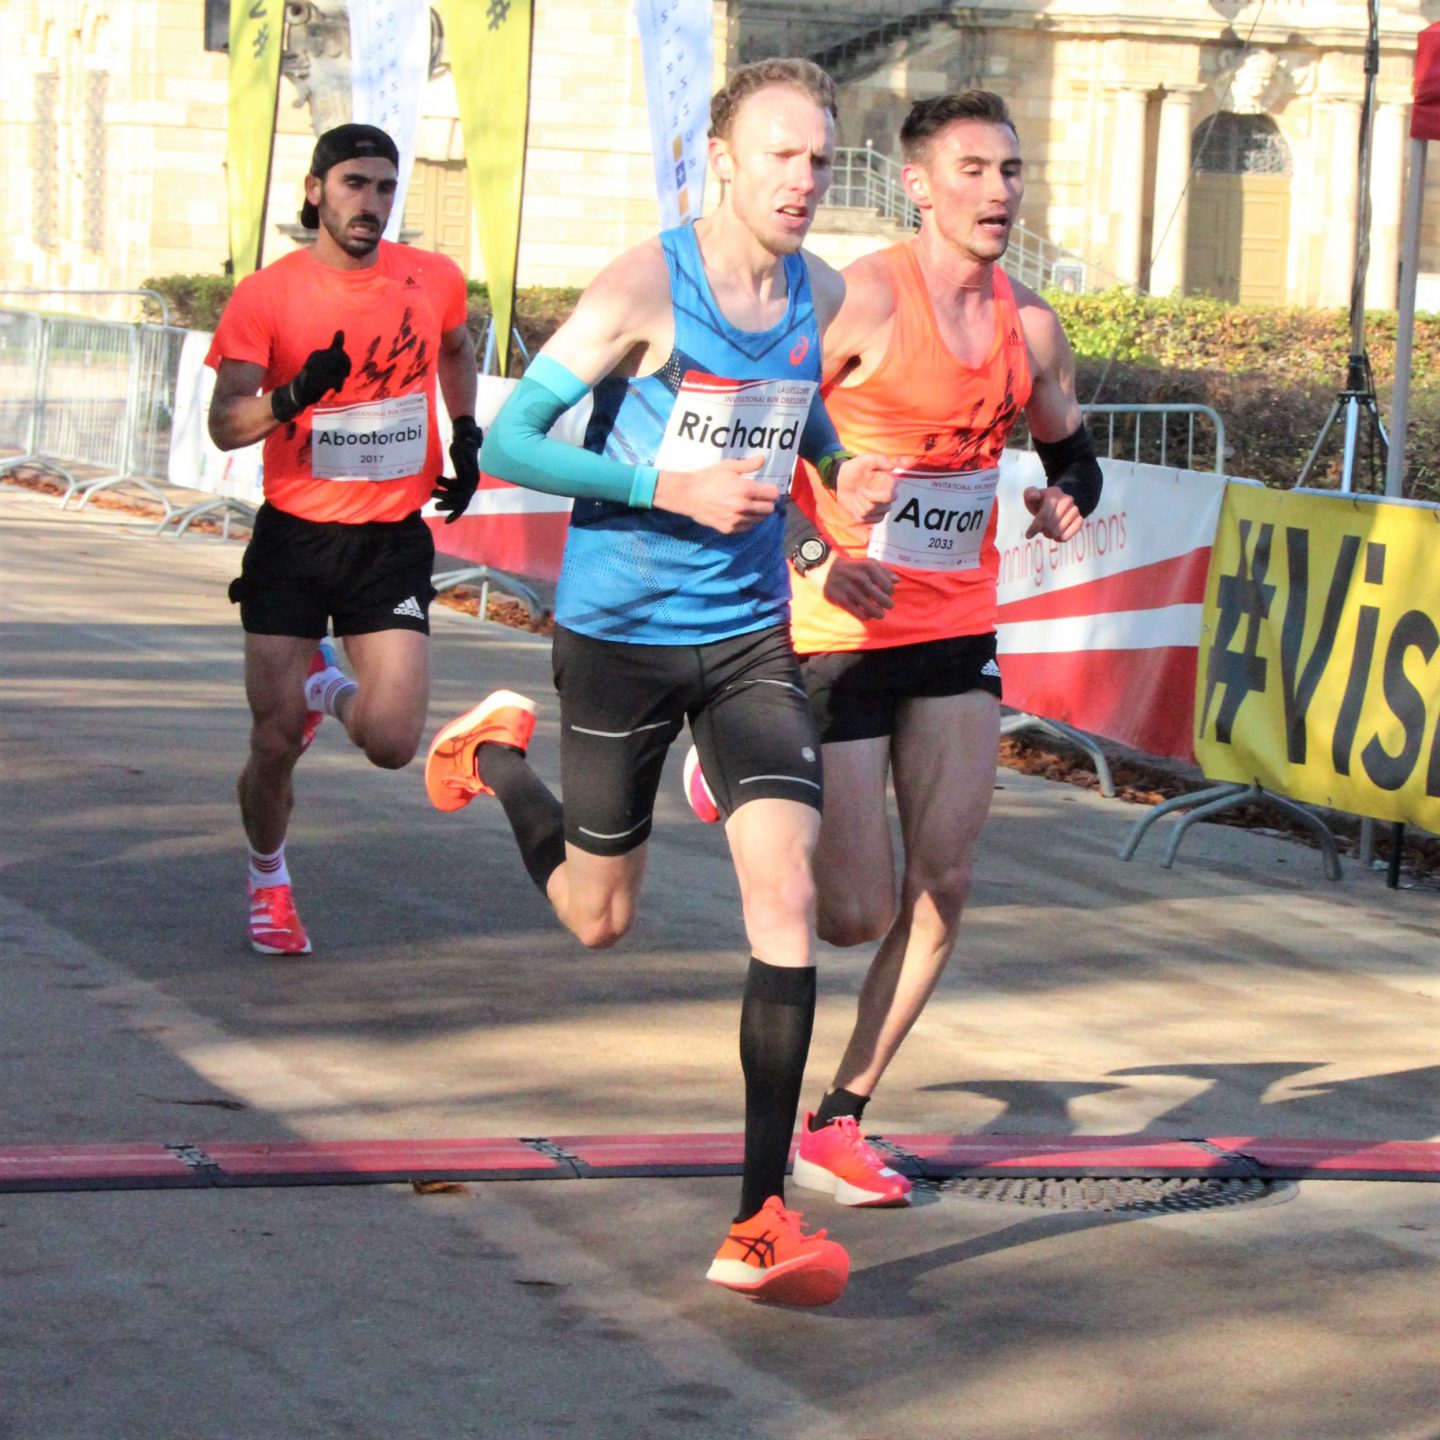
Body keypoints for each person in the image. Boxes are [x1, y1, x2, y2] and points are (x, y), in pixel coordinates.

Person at [423, 60, 896, 1306]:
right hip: (620, 633)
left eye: (819, 158)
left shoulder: (822, 290)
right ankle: (495, 756)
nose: (804, 179)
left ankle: (758, 1220)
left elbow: (796, 417)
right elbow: (512, 439)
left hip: (747, 638)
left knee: (787, 890)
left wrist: (836, 486)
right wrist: (663, 486)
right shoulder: (646, 284)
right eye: (781, 155)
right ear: (721, 163)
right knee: (599, 917)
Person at [685, 90, 1101, 1207]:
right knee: (853, 914)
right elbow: (753, 439)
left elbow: (1074, 451)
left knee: (945, 882)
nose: (998, 193)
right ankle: (734, 757)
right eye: (973, 170)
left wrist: (1064, 496)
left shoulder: (1030, 328)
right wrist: (816, 554)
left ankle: (840, 1118)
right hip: (836, 632)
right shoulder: (859, 300)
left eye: (1011, 172)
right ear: (917, 185)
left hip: (955, 630)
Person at [208, 123, 481, 956]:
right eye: (355, 184)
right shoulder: (268, 295)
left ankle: (326, 687)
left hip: (389, 541)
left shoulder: (431, 278)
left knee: (394, 742)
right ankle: (268, 878)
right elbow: (226, 423)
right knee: (272, 741)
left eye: (385, 187)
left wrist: (466, 433)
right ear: (315, 190)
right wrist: (294, 395)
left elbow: (457, 345)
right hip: (294, 540)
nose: (371, 203)